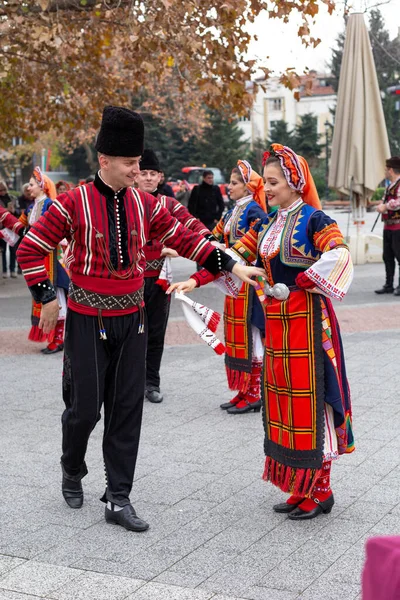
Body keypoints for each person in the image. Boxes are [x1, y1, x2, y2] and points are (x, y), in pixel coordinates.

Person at [16, 106, 263, 532]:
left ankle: (118, 498)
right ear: (104, 161)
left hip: (135, 317)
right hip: (87, 319)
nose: (137, 170)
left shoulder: (148, 206)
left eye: (139, 163)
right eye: (130, 164)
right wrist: (44, 295)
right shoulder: (72, 203)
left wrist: (232, 264)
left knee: (127, 410)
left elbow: (187, 238)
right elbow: (30, 248)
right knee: (84, 410)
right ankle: (71, 466)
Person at [168, 143, 355, 520]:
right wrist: (196, 279)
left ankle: (322, 491)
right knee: (284, 401)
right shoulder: (267, 224)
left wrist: (305, 279)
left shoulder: (315, 220)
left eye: (273, 181)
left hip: (308, 324)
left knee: (312, 403)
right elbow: (235, 255)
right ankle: (300, 485)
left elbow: (339, 253)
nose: (265, 188)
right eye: (265, 181)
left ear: (295, 182)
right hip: (279, 327)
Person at [136, 149, 211, 403]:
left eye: (152, 174)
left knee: (156, 333)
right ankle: (127, 384)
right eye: (143, 173)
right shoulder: (125, 202)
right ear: (135, 176)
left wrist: (210, 240)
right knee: (128, 334)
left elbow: (190, 223)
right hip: (129, 281)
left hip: (159, 281)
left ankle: (151, 383)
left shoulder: (167, 204)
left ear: (160, 177)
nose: (147, 178)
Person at [196, 160, 268, 414]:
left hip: (248, 283)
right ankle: (243, 390)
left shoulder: (255, 212)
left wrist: (226, 254)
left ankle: (254, 393)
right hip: (234, 283)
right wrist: (196, 243)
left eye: (235, 183)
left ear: (248, 188)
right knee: (239, 336)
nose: (229, 187)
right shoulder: (232, 211)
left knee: (252, 336)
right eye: (230, 182)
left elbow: (251, 243)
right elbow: (213, 236)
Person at [19, 168, 69, 354]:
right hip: (39, 260)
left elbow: (60, 232)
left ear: (42, 186)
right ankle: (54, 337)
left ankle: (58, 339)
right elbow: (19, 228)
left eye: (32, 184)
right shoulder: (31, 207)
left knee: (56, 295)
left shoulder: (50, 205)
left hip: (52, 259)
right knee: (44, 296)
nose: (29, 188)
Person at [375, 156, 400, 296]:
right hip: (388, 226)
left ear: (391, 170)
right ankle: (388, 284)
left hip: (398, 227)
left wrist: (385, 206)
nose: (385, 172)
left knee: (399, 256)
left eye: (386, 169)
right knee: (388, 256)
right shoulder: (390, 185)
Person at [0, 180, 19, 278]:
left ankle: (12, 270)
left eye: (3, 189)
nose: (2, 192)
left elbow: (19, 211)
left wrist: (14, 210)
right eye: (0, 190)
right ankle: (4, 271)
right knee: (3, 250)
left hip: (12, 227)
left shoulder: (12, 198)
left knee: (13, 250)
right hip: (2, 228)